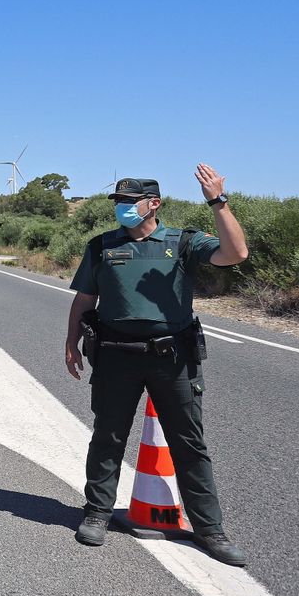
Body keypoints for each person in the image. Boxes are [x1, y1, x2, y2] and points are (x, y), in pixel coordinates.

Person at [64, 165, 249, 565]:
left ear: (154, 204)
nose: (123, 209)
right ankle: (97, 513)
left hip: (173, 358)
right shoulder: (101, 246)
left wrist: (218, 201)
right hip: (115, 355)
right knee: (108, 436)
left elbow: (235, 253)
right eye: (119, 202)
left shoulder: (182, 242)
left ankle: (209, 529)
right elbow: (84, 299)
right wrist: (71, 341)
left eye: (131, 202)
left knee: (189, 442)